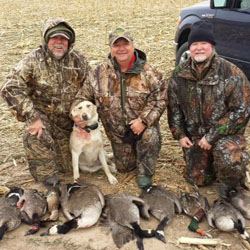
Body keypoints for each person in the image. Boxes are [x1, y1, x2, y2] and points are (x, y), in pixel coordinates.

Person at [72, 27, 167, 189]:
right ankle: (128, 155)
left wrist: (143, 121)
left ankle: (145, 171)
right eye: (116, 45)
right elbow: (82, 98)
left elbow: (160, 99)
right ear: (110, 48)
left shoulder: (150, 73)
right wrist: (76, 116)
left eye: (126, 44)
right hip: (117, 136)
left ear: (133, 46)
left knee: (150, 136)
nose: (121, 48)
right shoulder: (98, 74)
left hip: (142, 130)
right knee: (123, 169)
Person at [1, 17, 91, 183]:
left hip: (69, 124)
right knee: (34, 135)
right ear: (46, 39)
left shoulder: (79, 61)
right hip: (44, 121)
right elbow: (9, 87)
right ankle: (48, 180)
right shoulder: (32, 61)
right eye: (54, 38)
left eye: (63, 38)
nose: (59, 42)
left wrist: (80, 114)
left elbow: (89, 88)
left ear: (69, 41)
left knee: (68, 167)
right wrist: (32, 117)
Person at [167, 20, 250, 197]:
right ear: (189, 47)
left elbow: (241, 111)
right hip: (196, 139)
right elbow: (174, 109)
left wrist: (212, 136)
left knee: (228, 159)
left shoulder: (231, 73)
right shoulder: (179, 74)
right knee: (198, 180)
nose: (199, 48)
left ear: (211, 45)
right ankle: (213, 168)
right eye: (194, 44)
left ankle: (233, 181)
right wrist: (180, 135)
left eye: (203, 43)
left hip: (225, 138)